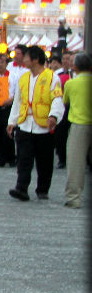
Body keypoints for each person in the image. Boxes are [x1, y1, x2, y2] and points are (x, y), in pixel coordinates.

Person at [8, 45, 65, 202]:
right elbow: (18, 101)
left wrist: (54, 116)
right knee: (23, 159)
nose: (24, 59)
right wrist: (12, 121)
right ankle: (21, 188)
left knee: (44, 161)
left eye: (26, 57)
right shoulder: (23, 78)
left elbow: (57, 98)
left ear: (35, 59)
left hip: (44, 126)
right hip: (25, 124)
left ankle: (42, 189)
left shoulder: (52, 77)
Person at [60, 51, 91, 209]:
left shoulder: (71, 83)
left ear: (76, 66)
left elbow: (65, 101)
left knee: (76, 164)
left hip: (79, 124)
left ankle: (73, 198)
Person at [0, 49, 23, 167]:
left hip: (8, 108)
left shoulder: (13, 76)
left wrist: (10, 100)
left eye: (2, 62)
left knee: (8, 134)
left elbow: (16, 92)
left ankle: (11, 158)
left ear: (6, 63)